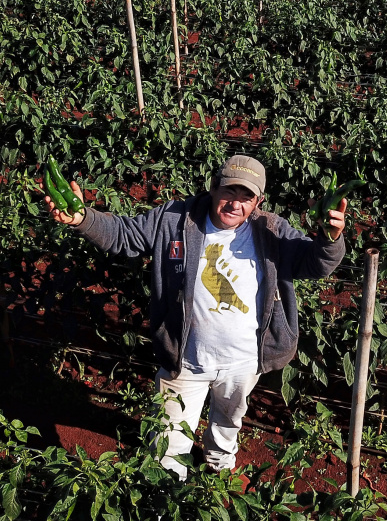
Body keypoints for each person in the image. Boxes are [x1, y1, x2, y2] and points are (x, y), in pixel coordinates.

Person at [45, 154, 347, 480]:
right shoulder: (176, 219)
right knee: (168, 439)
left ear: (258, 201)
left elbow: (315, 264)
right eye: (230, 192)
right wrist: (82, 219)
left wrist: (330, 238)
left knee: (228, 420)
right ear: (214, 187)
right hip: (186, 359)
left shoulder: (271, 230)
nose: (236, 204)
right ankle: (166, 494)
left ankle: (219, 469)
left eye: (247, 197)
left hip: (243, 361)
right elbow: (123, 235)